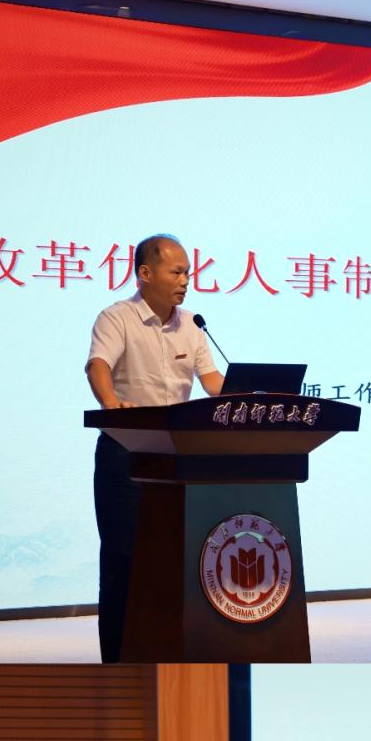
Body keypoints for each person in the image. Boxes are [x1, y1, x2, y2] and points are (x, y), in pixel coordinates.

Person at [86, 234, 224, 663]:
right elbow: (98, 365)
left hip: (177, 458)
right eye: (176, 272)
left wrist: (246, 398)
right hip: (125, 453)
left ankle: (170, 654)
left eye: (188, 272)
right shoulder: (117, 317)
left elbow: (211, 380)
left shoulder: (192, 324)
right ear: (145, 274)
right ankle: (118, 662)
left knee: (175, 560)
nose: (185, 280)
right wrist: (111, 403)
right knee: (124, 561)